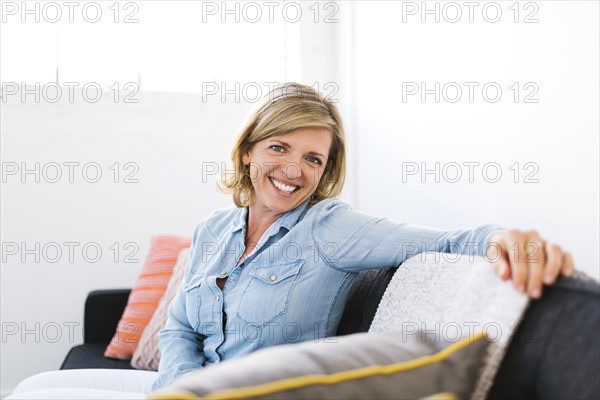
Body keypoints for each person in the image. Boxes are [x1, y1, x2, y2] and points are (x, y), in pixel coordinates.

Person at [8, 82, 575, 398]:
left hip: (244, 394)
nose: (294, 169)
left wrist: (512, 239)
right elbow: (181, 324)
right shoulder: (213, 229)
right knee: (35, 388)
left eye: (313, 158)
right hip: (180, 388)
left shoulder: (331, 228)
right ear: (250, 150)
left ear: (324, 171)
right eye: (280, 147)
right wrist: (177, 387)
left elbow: (454, 239)